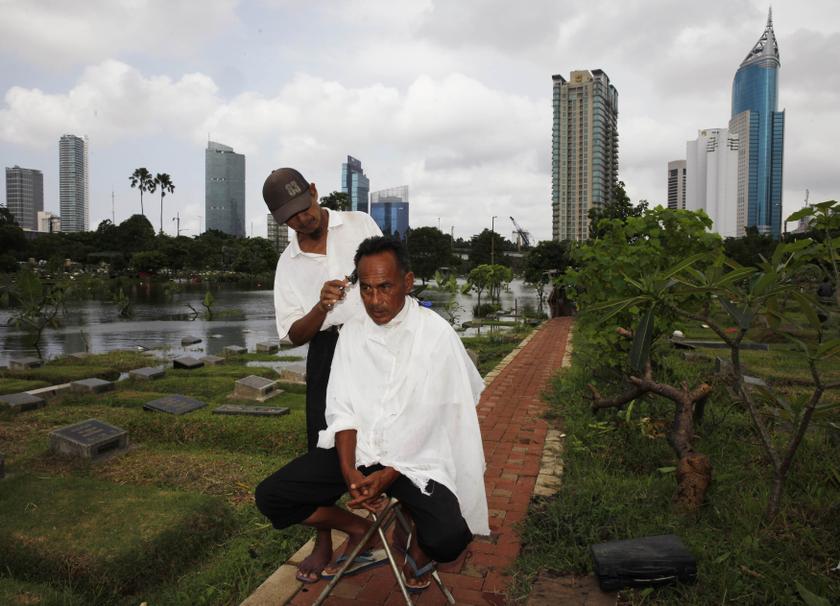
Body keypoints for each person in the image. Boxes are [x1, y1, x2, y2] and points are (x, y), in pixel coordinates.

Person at [255, 236, 489, 592]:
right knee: (272, 496)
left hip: (414, 462)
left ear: (407, 283)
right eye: (366, 289)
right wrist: (350, 471)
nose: (375, 301)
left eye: (385, 287)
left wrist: (389, 474)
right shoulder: (352, 333)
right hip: (360, 453)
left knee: (450, 539)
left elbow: (438, 421)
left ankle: (416, 542)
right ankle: (359, 529)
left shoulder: (436, 335)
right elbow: (343, 408)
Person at [261, 167, 382, 583]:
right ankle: (326, 539)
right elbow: (293, 335)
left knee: (378, 433)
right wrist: (321, 307)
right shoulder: (288, 263)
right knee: (322, 445)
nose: (302, 220)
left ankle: (388, 505)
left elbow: (385, 274)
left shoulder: (359, 223)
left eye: (304, 208)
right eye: (290, 217)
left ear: (314, 192)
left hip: (374, 342)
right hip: (328, 352)